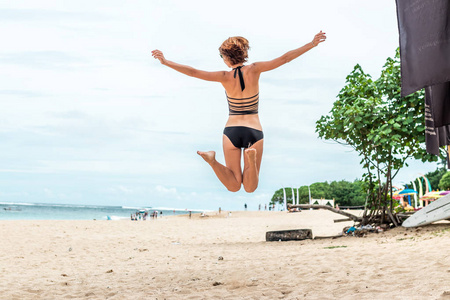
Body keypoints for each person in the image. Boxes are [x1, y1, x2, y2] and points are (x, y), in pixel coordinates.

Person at [151, 32, 326, 193]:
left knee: (234, 186)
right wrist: (311, 44)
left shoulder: (224, 76)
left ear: (228, 57)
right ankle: (251, 161)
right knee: (250, 188)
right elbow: (285, 58)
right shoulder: (255, 69)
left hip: (231, 131)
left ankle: (212, 161)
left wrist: (166, 62)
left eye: (222, 56)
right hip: (253, 130)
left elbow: (193, 72)